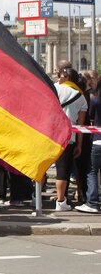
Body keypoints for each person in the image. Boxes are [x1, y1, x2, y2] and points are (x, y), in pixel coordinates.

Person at [54, 68, 87, 211]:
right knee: (63, 169)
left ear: (66, 78)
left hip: (51, 134)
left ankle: (36, 198)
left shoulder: (55, 89)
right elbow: (81, 125)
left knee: (43, 165)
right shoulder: (81, 97)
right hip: (69, 137)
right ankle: (61, 201)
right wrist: (79, 145)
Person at [77, 80, 101, 213]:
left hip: (97, 140)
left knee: (92, 171)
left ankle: (92, 202)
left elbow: (90, 115)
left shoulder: (95, 100)